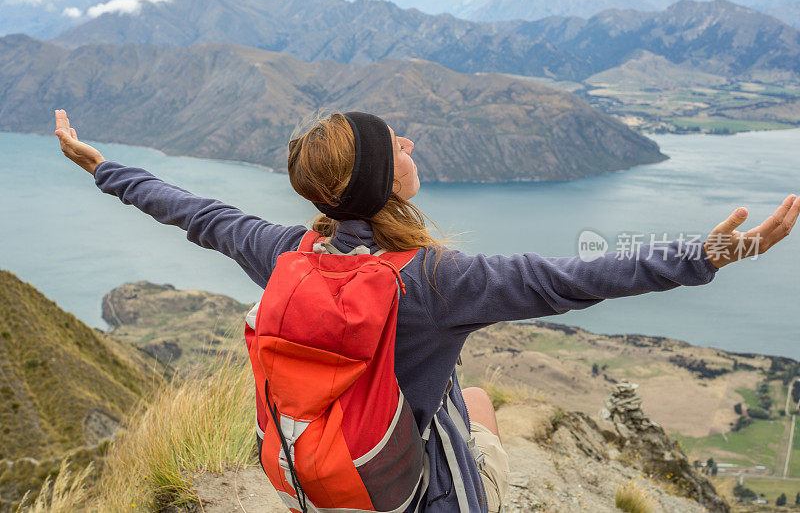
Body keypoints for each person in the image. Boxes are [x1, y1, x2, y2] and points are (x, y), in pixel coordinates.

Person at [54, 109, 799, 512]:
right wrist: (715, 253)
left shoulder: (285, 250)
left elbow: (194, 212)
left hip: (324, 474)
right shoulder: (437, 280)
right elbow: (581, 275)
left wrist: (102, 166)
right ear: (387, 182)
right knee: (477, 404)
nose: (408, 140)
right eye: (394, 143)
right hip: (417, 491)